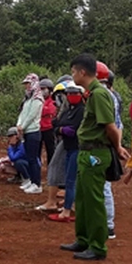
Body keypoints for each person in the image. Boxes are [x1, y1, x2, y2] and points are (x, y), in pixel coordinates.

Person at [59, 54, 129, 261]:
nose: (72, 76)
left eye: (73, 72)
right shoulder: (92, 93)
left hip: (96, 154)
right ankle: (83, 239)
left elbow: (111, 126)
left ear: (82, 72)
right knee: (82, 198)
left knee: (94, 200)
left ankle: (97, 246)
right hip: (87, 152)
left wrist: (117, 147)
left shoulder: (99, 94)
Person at [49, 82, 85, 223]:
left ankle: (67, 211)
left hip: (77, 147)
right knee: (71, 179)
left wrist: (61, 129)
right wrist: (61, 129)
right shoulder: (69, 110)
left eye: (75, 93)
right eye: (69, 93)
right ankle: (70, 206)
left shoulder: (81, 110)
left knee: (71, 180)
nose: (71, 96)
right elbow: (56, 124)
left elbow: (73, 129)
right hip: (69, 147)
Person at [36, 81, 69, 212]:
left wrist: (59, 128)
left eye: (63, 94)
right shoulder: (67, 109)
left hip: (69, 142)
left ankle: (54, 202)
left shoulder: (74, 109)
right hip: (64, 140)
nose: (61, 98)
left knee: (56, 166)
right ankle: (66, 200)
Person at [98, 62, 121, 239]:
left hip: (103, 147)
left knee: (104, 186)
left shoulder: (104, 96)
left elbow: (113, 127)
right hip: (107, 145)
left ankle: (108, 225)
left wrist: (117, 146)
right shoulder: (111, 96)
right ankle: (105, 224)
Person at [17, 74, 44, 194]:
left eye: (28, 83)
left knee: (33, 159)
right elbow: (22, 113)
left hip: (33, 131)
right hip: (26, 131)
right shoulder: (28, 99)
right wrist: (19, 125)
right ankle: (32, 181)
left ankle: (37, 183)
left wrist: (22, 126)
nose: (26, 86)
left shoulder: (38, 99)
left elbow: (31, 116)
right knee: (29, 158)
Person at [39, 78, 57, 167]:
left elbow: (50, 110)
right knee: (37, 150)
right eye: (41, 89)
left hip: (49, 128)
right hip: (39, 128)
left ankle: (51, 168)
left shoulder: (53, 100)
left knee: (50, 150)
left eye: (44, 89)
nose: (42, 91)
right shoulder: (38, 99)